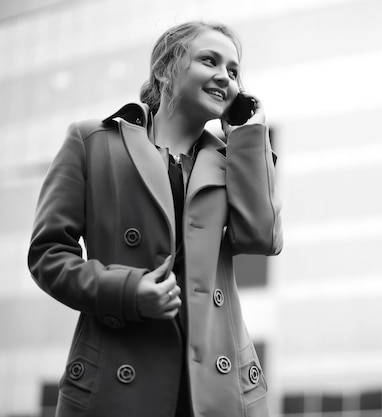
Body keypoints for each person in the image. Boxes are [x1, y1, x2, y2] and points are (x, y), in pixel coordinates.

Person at [27, 20, 282, 417]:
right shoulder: (92, 141)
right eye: (209, 61)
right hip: (117, 377)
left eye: (234, 71)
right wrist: (128, 292)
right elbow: (47, 255)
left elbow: (262, 238)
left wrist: (250, 135)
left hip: (217, 387)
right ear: (166, 69)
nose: (225, 77)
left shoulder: (233, 159)